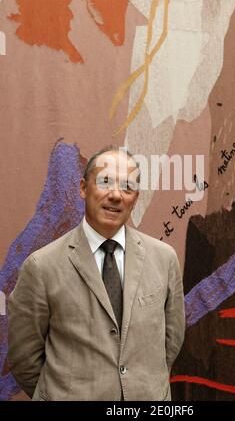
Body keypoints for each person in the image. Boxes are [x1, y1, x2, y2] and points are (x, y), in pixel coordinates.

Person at [8, 146, 185, 401]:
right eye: (105, 182)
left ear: (135, 198)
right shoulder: (42, 266)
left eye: (127, 187)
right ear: (83, 188)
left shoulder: (164, 258)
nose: (116, 195)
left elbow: (171, 340)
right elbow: (24, 358)